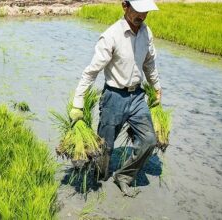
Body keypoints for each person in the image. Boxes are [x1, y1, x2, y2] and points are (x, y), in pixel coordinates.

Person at [70, 0, 161, 197]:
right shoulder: (111, 36)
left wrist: (156, 88)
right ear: (125, 6)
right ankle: (98, 180)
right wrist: (78, 103)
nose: (142, 16)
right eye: (138, 10)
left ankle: (124, 176)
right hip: (114, 98)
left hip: (137, 96)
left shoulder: (146, 32)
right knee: (105, 148)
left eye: (146, 12)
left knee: (149, 141)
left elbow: (149, 63)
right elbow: (91, 72)